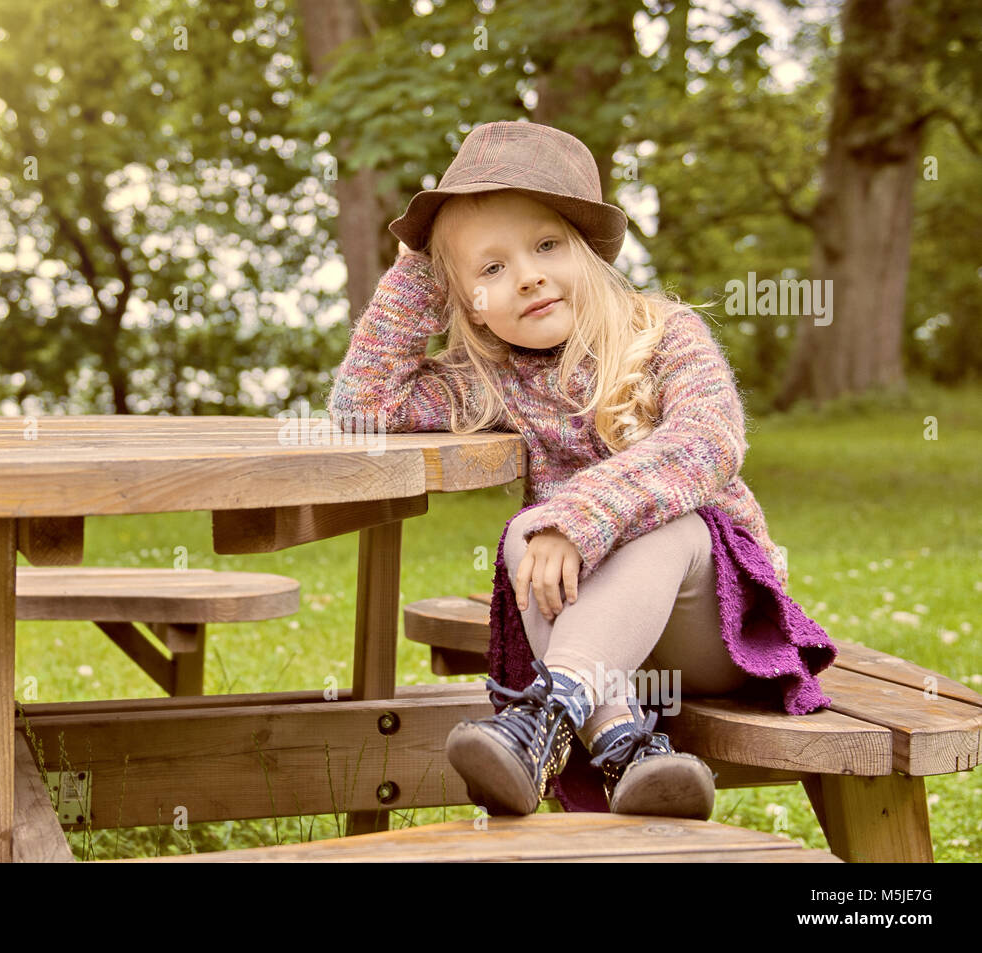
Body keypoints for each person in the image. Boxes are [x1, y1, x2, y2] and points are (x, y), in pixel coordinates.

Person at [326, 120, 836, 820]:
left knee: (672, 527)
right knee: (526, 535)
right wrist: (425, 264)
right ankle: (626, 747)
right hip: (594, 638)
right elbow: (364, 405)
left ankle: (543, 719)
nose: (528, 274)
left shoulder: (665, 336)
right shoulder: (492, 378)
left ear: (589, 254)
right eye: (492, 268)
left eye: (546, 246)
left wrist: (580, 517)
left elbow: (708, 440)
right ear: (465, 298)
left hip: (714, 628)